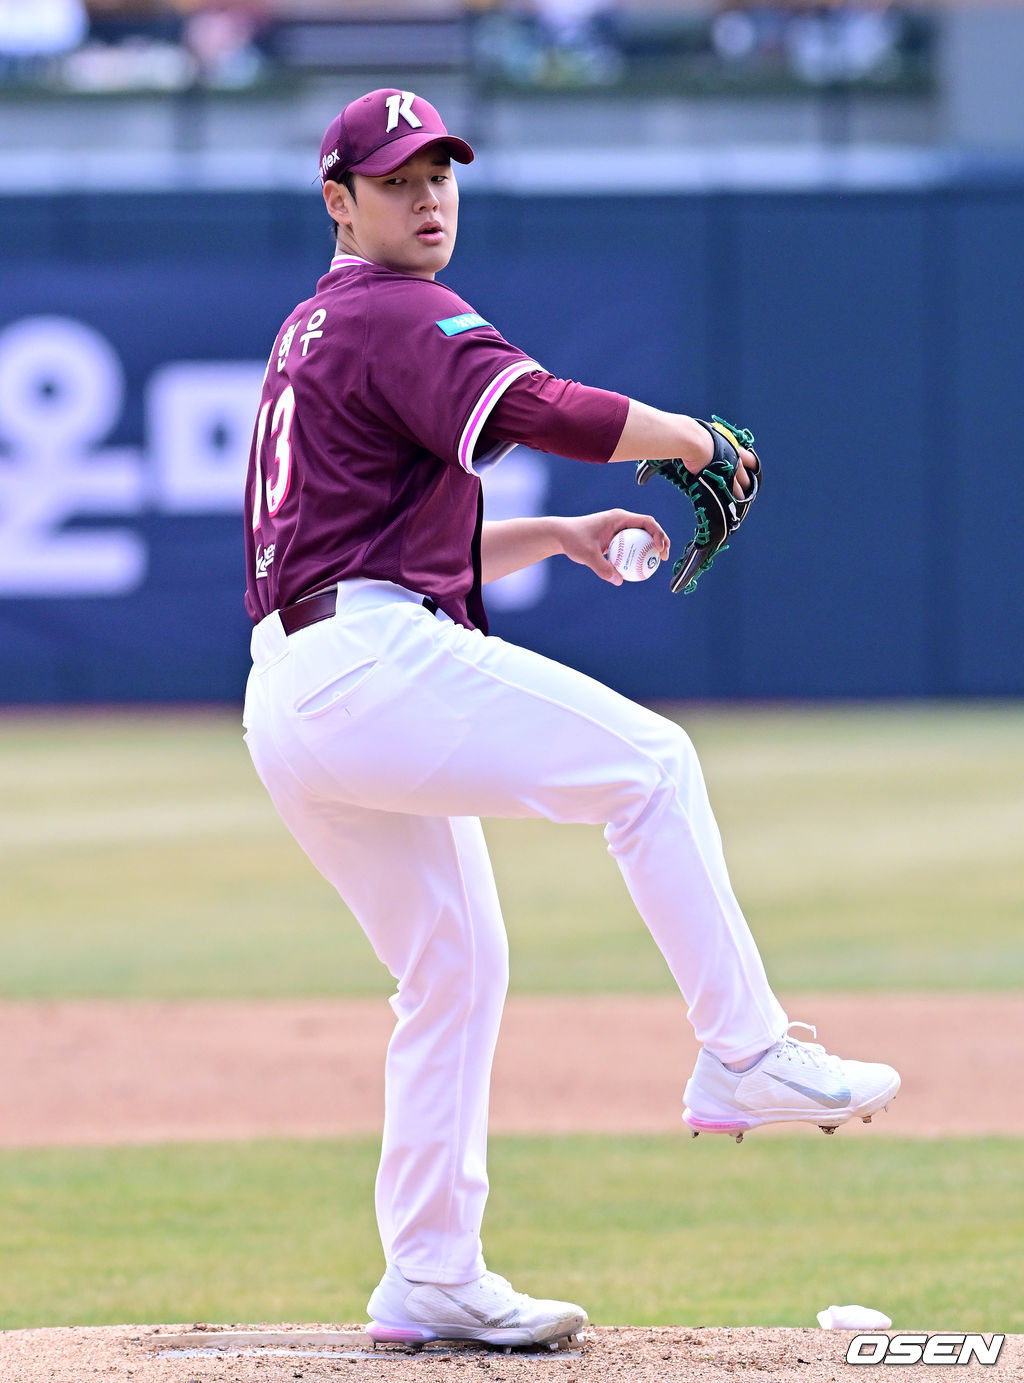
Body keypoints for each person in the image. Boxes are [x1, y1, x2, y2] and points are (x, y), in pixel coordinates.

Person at [241, 87, 900, 1351]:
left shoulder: (314, 330)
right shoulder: (397, 309)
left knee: (453, 969)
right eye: (395, 180)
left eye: (440, 173)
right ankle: (745, 1051)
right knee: (654, 766)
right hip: (365, 664)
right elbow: (542, 406)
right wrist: (692, 440)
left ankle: (429, 1274)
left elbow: (375, 549)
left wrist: (553, 534)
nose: (427, 197)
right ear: (338, 201)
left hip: (296, 689)